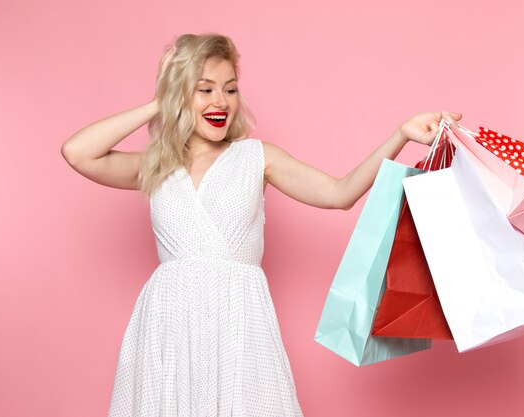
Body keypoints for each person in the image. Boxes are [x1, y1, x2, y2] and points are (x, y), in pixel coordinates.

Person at [61, 33, 461, 417]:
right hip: (168, 326)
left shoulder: (256, 158)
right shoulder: (156, 166)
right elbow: (77, 152)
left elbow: (340, 193)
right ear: (180, 94)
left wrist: (401, 135)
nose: (222, 101)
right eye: (205, 89)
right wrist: (158, 103)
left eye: (230, 89)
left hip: (240, 321)